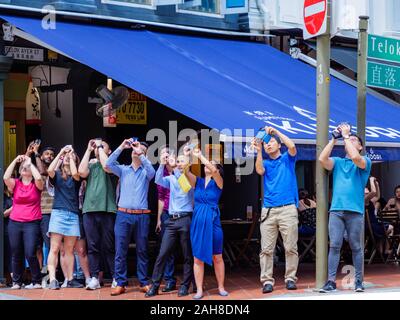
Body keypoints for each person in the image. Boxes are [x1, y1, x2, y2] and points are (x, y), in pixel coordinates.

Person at [318, 123, 372, 293]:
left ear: (360, 146)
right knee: (334, 245)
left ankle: (358, 281)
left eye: (355, 140)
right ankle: (331, 282)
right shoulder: (339, 162)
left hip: (355, 211)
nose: (350, 140)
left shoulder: (365, 161)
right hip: (336, 210)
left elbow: (356, 159)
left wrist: (347, 136)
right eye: (349, 139)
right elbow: (322, 159)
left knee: (356, 246)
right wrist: (334, 139)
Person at [252, 126, 299, 294]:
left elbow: (292, 146)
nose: (269, 145)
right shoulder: (265, 162)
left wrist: (276, 133)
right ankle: (266, 281)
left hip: (288, 208)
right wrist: (258, 151)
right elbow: (259, 170)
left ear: (279, 145)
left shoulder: (287, 159)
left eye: (272, 142)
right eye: (266, 144)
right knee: (266, 249)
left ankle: (290, 278)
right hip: (269, 210)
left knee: (290, 247)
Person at [106, 139, 155, 296]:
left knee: (142, 250)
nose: (136, 150)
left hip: (141, 216)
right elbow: (108, 164)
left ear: (144, 153)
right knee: (120, 250)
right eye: (134, 148)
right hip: (123, 214)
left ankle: (143, 282)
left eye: (140, 149)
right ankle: (120, 283)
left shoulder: (146, 171)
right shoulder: (123, 170)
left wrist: (141, 154)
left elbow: (153, 172)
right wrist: (121, 146)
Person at [145, 148, 194, 298]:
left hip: (185, 219)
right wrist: (162, 164)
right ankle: (154, 286)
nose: (178, 163)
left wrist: (176, 168)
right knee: (162, 253)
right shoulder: (171, 178)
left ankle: (185, 285)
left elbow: (185, 187)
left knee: (187, 255)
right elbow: (158, 180)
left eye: (181, 161)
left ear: (187, 164)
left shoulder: (190, 179)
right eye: (177, 161)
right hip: (172, 220)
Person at [184, 147, 228, 300]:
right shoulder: (198, 181)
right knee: (197, 258)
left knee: (217, 256)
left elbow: (214, 172)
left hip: (213, 222)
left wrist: (201, 155)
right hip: (198, 222)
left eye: (212, 163)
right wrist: (187, 157)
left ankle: (221, 287)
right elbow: (185, 173)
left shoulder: (218, 182)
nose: (207, 165)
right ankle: (199, 290)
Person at [79, 138, 118, 290]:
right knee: (93, 246)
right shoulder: (90, 164)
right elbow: (81, 172)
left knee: (109, 246)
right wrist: (89, 150)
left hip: (108, 209)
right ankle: (94, 277)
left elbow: (107, 166)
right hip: (89, 209)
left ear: (108, 151)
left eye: (102, 146)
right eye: (97, 146)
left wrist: (101, 148)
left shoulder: (112, 164)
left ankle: (116, 277)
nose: (98, 147)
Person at [3, 155, 44, 289]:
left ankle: (37, 281)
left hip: (32, 222)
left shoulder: (36, 184)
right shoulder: (16, 183)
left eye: (28, 168)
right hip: (15, 222)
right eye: (23, 168)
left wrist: (29, 162)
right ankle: (17, 282)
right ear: (20, 171)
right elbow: (5, 177)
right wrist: (15, 160)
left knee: (30, 252)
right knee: (16, 252)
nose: (25, 169)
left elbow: (38, 177)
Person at [47, 146, 83, 290]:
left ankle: (70, 279)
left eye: (72, 156)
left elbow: (74, 173)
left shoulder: (77, 176)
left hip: (73, 214)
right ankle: (52, 279)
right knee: (54, 248)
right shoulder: (57, 175)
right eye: (67, 157)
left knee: (69, 250)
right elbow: (49, 170)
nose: (68, 157)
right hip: (58, 213)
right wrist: (61, 152)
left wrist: (70, 156)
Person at [60, 180, 91, 288]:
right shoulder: (58, 176)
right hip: (62, 214)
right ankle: (67, 279)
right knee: (63, 251)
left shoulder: (79, 178)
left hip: (77, 213)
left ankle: (87, 278)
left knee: (81, 251)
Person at [155, 146, 177, 293]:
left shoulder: (179, 169)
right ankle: (169, 280)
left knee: (185, 249)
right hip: (167, 214)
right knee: (166, 249)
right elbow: (161, 198)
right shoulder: (160, 173)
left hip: (182, 213)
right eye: (162, 154)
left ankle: (192, 281)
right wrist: (158, 219)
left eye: (167, 153)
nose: (165, 156)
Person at [3, 185, 13, 286]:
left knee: (11, 254)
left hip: (9, 229)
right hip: (5, 229)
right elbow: (3, 214)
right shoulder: (3, 198)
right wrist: (14, 207)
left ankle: (14, 280)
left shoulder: (8, 197)